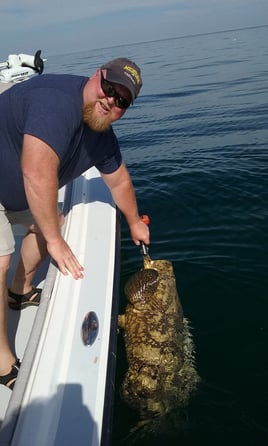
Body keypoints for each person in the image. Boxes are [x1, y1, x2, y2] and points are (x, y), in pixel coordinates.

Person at [0, 57, 150, 389]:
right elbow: (36, 172)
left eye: (122, 100)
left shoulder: (102, 137)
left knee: (52, 224)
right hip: (15, 178)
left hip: (15, 189)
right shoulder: (56, 102)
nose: (111, 100)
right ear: (97, 76)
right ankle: (1, 360)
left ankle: (19, 292)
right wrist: (55, 242)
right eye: (109, 88)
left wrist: (135, 221)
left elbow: (120, 182)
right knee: (1, 258)